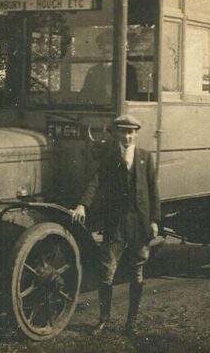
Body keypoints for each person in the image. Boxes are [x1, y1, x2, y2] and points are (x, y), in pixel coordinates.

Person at [72, 114, 160, 336]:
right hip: (116, 225)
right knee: (107, 272)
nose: (128, 136)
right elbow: (96, 181)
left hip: (139, 225)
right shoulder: (111, 159)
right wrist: (82, 205)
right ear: (118, 134)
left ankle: (131, 322)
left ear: (136, 134)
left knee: (137, 272)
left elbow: (153, 191)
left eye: (131, 132)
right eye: (123, 132)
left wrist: (154, 220)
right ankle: (103, 320)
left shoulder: (145, 158)